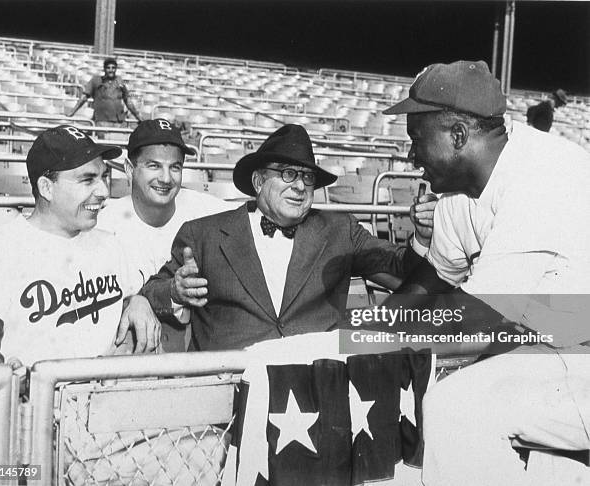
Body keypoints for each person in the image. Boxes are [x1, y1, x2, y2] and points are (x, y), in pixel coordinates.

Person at [382, 60, 590, 486]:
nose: (410, 155)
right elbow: (435, 279)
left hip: (579, 353)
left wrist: (373, 337)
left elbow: (477, 314)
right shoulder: (457, 193)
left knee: (458, 407)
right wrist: (365, 327)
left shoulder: (544, 172)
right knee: (456, 404)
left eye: (416, 139)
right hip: (554, 353)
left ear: (458, 135)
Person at [140, 123, 437, 351]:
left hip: (316, 383)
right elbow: (152, 292)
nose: (299, 186)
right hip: (229, 388)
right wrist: (175, 292)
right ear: (258, 182)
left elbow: (401, 265)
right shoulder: (202, 234)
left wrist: (422, 237)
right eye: (286, 174)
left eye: (307, 177)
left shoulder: (339, 230)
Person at [0, 125, 160, 368]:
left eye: (104, 177)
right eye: (87, 180)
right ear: (46, 188)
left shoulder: (111, 244)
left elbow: (134, 291)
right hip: (33, 401)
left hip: (102, 396)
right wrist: (3, 379)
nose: (104, 191)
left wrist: (139, 301)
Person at [98, 118, 235, 351]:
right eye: (153, 166)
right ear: (130, 170)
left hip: (198, 343)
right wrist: (131, 302)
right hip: (131, 349)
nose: (166, 178)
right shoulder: (103, 225)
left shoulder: (211, 212)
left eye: (175, 167)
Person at [66, 58, 141, 128]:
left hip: (119, 122)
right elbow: (84, 97)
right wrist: (72, 112)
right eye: (108, 68)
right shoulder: (96, 81)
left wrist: (138, 117)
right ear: (104, 69)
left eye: (113, 68)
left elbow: (127, 101)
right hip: (102, 121)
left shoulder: (119, 81)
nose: (111, 70)